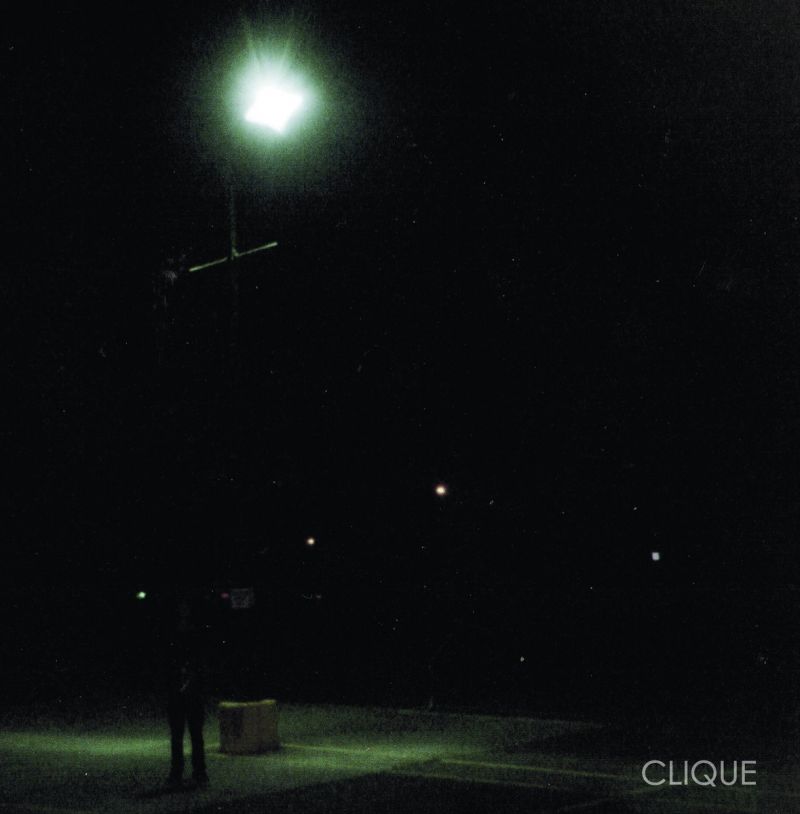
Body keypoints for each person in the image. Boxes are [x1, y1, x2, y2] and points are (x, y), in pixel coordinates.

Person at [164, 594, 209, 789]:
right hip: (177, 690)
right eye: (181, 607)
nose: (183, 610)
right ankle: (177, 772)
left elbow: (202, 661)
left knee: (195, 734)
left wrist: (192, 674)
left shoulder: (195, 632)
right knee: (177, 735)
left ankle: (199, 772)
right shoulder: (172, 633)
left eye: (186, 607)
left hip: (193, 690)